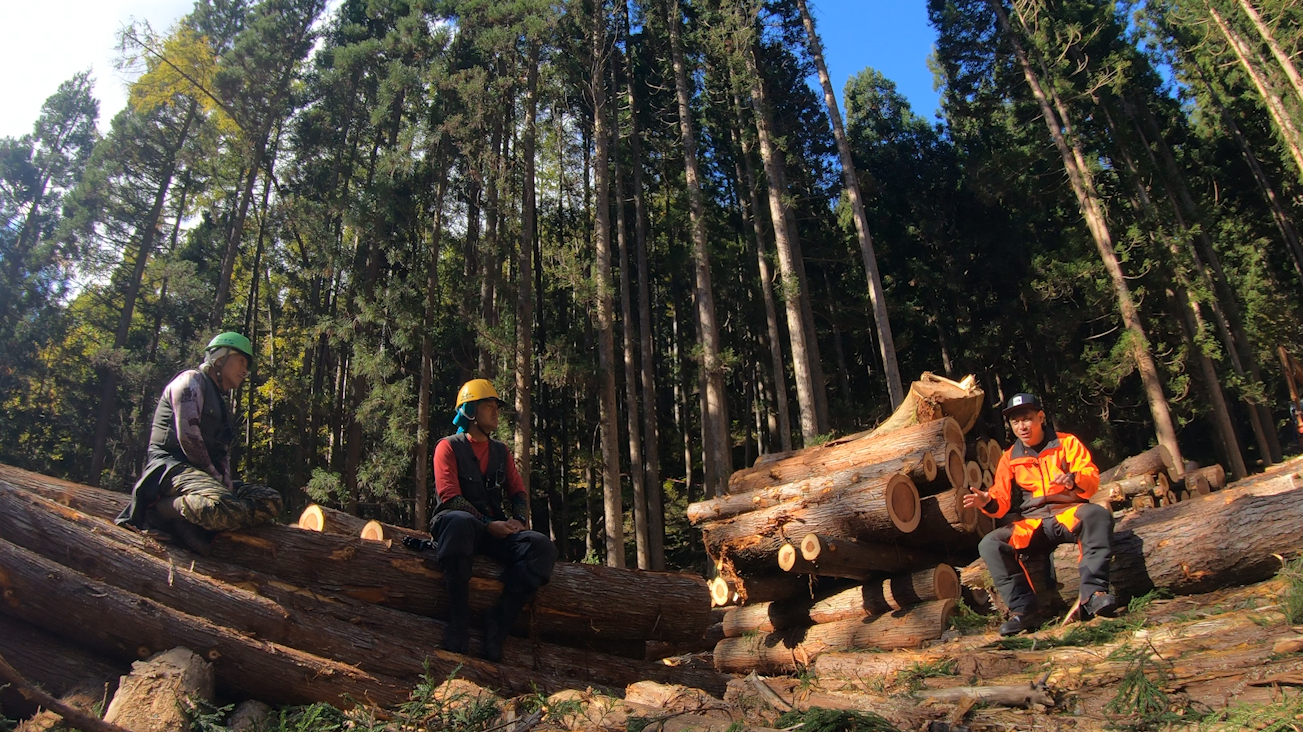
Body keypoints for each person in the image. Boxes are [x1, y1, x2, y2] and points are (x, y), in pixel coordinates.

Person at [964, 393, 1119, 635]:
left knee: (1096, 515)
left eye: (1027, 419)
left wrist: (1071, 480)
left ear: (1040, 417)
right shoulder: (1009, 458)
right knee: (990, 544)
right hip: (1033, 525)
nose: (1022, 426)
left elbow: (1091, 479)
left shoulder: (1067, 443)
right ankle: (1024, 612)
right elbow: (1001, 501)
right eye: (1016, 422)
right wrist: (987, 500)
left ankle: (1094, 596)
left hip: (1068, 514)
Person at [116, 332, 283, 554]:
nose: (245, 370)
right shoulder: (191, 381)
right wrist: (214, 476)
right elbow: (188, 436)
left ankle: (194, 517)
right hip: (170, 469)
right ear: (220, 357)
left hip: (201, 475)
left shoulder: (220, 402)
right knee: (224, 506)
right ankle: (158, 510)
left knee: (271, 500)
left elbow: (221, 450)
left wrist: (225, 480)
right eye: (241, 361)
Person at [431, 378, 557, 661]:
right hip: (457, 527)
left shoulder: (501, 451)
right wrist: (488, 524)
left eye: (496, 407)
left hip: (493, 530)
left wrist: (519, 521)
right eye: (489, 407)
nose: (496, 412)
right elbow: (450, 496)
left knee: (541, 547)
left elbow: (518, 492)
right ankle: (458, 623)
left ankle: (498, 623)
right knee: (459, 522)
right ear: (470, 411)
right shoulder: (447, 447)